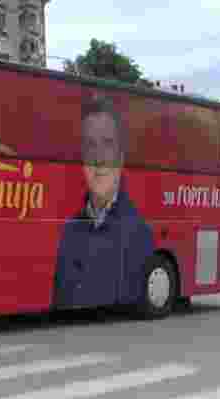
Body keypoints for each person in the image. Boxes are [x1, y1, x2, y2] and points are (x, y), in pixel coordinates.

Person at [52, 93, 154, 309]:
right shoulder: (69, 231)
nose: (99, 158)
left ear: (121, 157)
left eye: (107, 144)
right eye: (90, 145)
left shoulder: (140, 233)